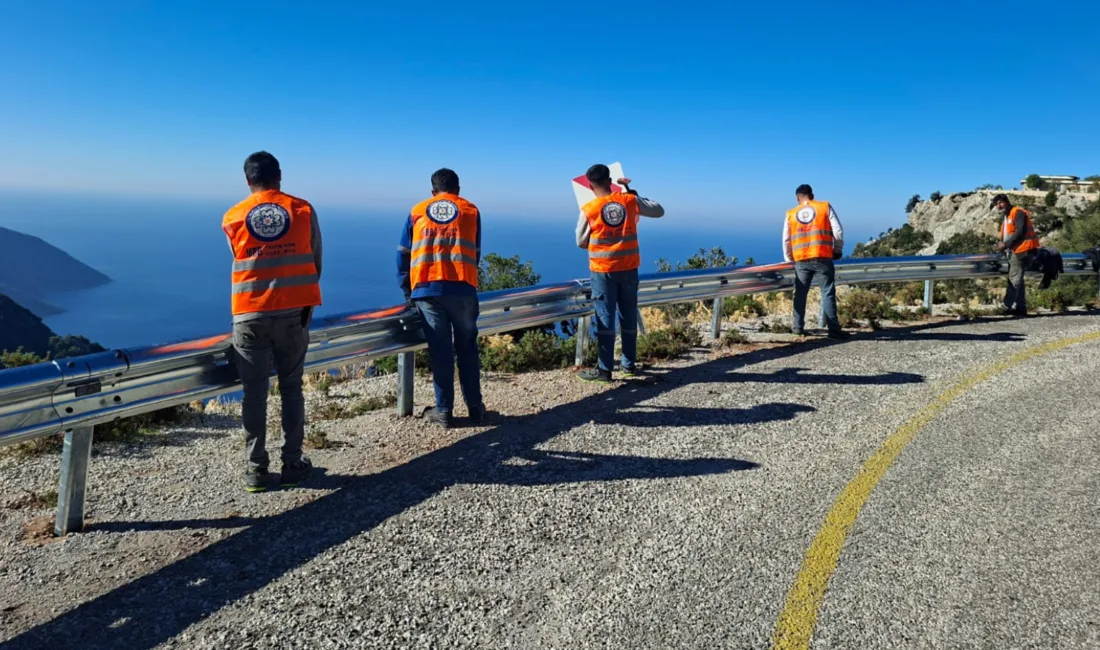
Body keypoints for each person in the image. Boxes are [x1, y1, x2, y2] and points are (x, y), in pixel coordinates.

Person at [222, 151, 321, 492]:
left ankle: (256, 469)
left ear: (247, 180)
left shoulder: (233, 216)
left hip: (249, 313)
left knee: (254, 393)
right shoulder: (303, 209)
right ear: (280, 176)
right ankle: (292, 462)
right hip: (293, 313)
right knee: (291, 388)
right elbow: (315, 259)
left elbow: (243, 259)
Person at [397, 168, 486, 428]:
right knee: (468, 349)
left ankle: (444, 411)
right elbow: (476, 251)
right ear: (458, 189)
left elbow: (403, 254)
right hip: (463, 287)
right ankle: (476, 408)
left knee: (441, 352)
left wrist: (407, 290)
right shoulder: (471, 210)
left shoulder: (418, 211)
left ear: (432, 191)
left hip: (427, 289)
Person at [575, 164, 665, 382]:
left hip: (603, 271)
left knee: (605, 319)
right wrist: (630, 192)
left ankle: (604, 370)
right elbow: (658, 210)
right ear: (610, 181)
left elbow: (580, 241)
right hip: (629, 268)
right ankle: (628, 365)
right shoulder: (629, 201)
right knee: (628, 316)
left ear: (589, 185)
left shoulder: (589, 209)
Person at [782, 183, 847, 338]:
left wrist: (789, 259)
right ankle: (834, 330)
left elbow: (786, 240)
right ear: (812, 195)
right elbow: (838, 231)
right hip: (823, 257)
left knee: (800, 294)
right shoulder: (824, 207)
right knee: (827, 292)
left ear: (798, 197)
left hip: (801, 260)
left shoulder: (791, 213)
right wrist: (836, 250)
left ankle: (797, 328)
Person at [991, 193, 1040, 316]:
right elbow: (1010, 234)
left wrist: (1005, 244)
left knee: (1014, 279)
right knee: (1019, 279)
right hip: (1015, 250)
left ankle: (1005, 307)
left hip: (1022, 250)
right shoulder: (1007, 216)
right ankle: (1021, 308)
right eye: (996, 204)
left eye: (1001, 203)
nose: (999, 206)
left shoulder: (1017, 212)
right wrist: (1002, 245)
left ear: (1007, 201)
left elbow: (1020, 231)